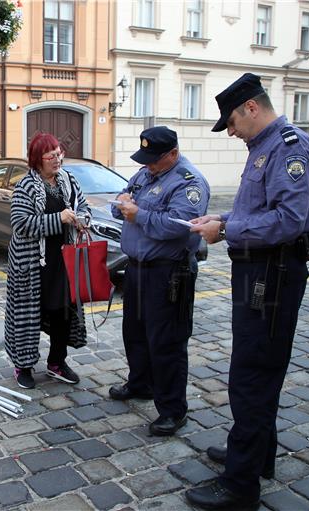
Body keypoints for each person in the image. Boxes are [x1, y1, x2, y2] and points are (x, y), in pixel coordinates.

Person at [186, 73, 309, 510]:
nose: (229, 130)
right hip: (260, 270)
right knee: (258, 369)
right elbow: (257, 210)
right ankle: (257, 454)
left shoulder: (286, 147)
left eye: (230, 121)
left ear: (250, 108)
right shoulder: (262, 146)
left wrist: (226, 227)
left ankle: (240, 484)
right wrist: (222, 221)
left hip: (272, 273)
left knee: (251, 374)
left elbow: (288, 219)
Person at [108, 126, 210, 436]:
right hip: (138, 268)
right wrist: (122, 203)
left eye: (154, 159)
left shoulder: (189, 183)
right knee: (135, 332)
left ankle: (172, 410)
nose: (148, 165)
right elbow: (119, 205)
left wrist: (136, 213)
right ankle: (141, 383)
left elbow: (178, 227)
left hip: (169, 272)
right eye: (146, 158)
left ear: (173, 154)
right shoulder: (144, 174)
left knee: (166, 342)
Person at [4, 133, 91, 389]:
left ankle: (57, 363)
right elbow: (20, 224)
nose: (57, 159)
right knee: (27, 317)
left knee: (62, 312)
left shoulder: (68, 180)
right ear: (37, 160)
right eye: (50, 155)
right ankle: (23, 365)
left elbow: (83, 207)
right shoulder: (26, 186)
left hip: (64, 259)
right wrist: (59, 219)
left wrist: (81, 219)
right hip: (31, 264)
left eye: (58, 153)